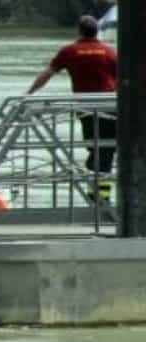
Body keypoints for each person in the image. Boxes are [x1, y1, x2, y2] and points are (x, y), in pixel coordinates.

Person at [26, 14, 117, 203]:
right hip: (110, 105)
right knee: (107, 149)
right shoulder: (109, 51)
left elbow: (47, 74)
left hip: (85, 106)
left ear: (79, 30)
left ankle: (98, 192)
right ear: (97, 31)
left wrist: (29, 93)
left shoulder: (69, 51)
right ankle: (101, 194)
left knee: (95, 147)